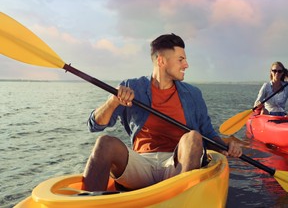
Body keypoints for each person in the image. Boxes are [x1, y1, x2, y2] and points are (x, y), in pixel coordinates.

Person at [82, 33, 242, 192]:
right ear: (161, 61)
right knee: (104, 143)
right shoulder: (131, 87)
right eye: (181, 59)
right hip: (141, 164)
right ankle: (87, 202)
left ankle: (183, 199)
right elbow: (94, 125)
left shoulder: (193, 94)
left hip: (177, 166)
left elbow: (207, 134)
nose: (186, 65)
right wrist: (112, 102)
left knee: (193, 137)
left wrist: (225, 145)